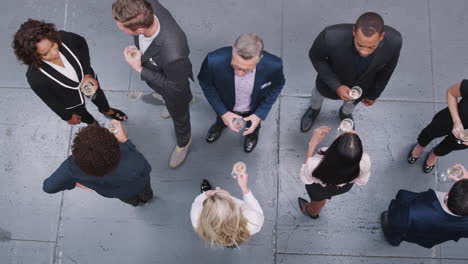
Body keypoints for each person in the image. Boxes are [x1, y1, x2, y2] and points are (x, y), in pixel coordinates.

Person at [112, 0, 193, 168]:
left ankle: (184, 142)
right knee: (178, 88)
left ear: (140, 30)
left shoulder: (174, 53)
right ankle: (188, 97)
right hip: (167, 73)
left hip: (174, 84)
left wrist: (139, 68)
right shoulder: (145, 7)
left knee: (179, 115)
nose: (119, 28)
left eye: (123, 28)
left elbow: (174, 88)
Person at [12, 19, 127, 126]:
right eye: (46, 54)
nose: (54, 53)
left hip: (87, 80)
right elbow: (50, 100)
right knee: (82, 114)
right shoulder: (35, 77)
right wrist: (66, 116)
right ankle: (92, 124)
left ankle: (106, 110)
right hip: (70, 99)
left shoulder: (65, 38)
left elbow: (81, 43)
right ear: (34, 57)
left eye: (52, 45)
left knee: (98, 96)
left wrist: (87, 74)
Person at [300, 12, 402, 132]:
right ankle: (314, 110)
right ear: (354, 31)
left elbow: (388, 69)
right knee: (318, 96)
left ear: (381, 37)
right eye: (359, 45)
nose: (364, 52)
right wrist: (336, 85)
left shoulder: (394, 42)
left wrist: (374, 93)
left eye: (371, 47)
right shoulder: (330, 36)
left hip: (362, 86)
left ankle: (345, 114)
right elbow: (316, 57)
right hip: (330, 81)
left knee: (350, 105)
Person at [198, 33, 285, 152]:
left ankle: (252, 133)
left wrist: (259, 114)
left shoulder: (274, 65)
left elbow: (277, 86)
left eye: (246, 70)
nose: (239, 74)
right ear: (233, 51)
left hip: (254, 108)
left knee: (253, 125)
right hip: (225, 104)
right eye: (235, 66)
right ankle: (220, 124)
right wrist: (223, 113)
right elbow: (206, 84)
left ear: (260, 59)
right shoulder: (213, 60)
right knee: (221, 118)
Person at [42, 121, 153, 207]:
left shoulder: (71, 167)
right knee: (147, 195)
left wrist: (74, 183)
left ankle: (137, 204)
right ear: (115, 145)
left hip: (120, 194)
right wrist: (125, 141)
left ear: (77, 151)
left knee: (133, 201)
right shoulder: (131, 158)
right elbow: (147, 168)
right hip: (141, 185)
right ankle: (147, 199)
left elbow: (48, 187)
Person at [298, 126, 371, 218]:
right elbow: (362, 181)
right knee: (321, 199)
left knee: (317, 202)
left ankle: (312, 212)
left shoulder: (314, 164)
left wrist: (312, 145)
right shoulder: (364, 160)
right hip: (343, 187)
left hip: (319, 189)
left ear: (333, 149)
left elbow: (306, 179)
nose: (351, 131)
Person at [381, 172, 468, 248]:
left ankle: (394, 239)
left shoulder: (414, 211)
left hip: (408, 226)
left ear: (448, 193)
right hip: (430, 239)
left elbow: (396, 221)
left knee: (397, 229)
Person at [408, 81, 468, 173]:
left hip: (465, 138)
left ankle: (434, 154)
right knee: (430, 132)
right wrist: (456, 121)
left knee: (449, 146)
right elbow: (451, 92)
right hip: (450, 118)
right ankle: (421, 145)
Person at [190, 175, 264, 248]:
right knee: (235, 241)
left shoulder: (197, 219)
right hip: (240, 234)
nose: (217, 188)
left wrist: (205, 194)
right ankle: (233, 243)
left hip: (217, 237)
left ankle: (228, 243)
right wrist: (245, 188)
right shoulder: (252, 220)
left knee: (224, 240)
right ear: (234, 208)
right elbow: (256, 209)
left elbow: (197, 202)